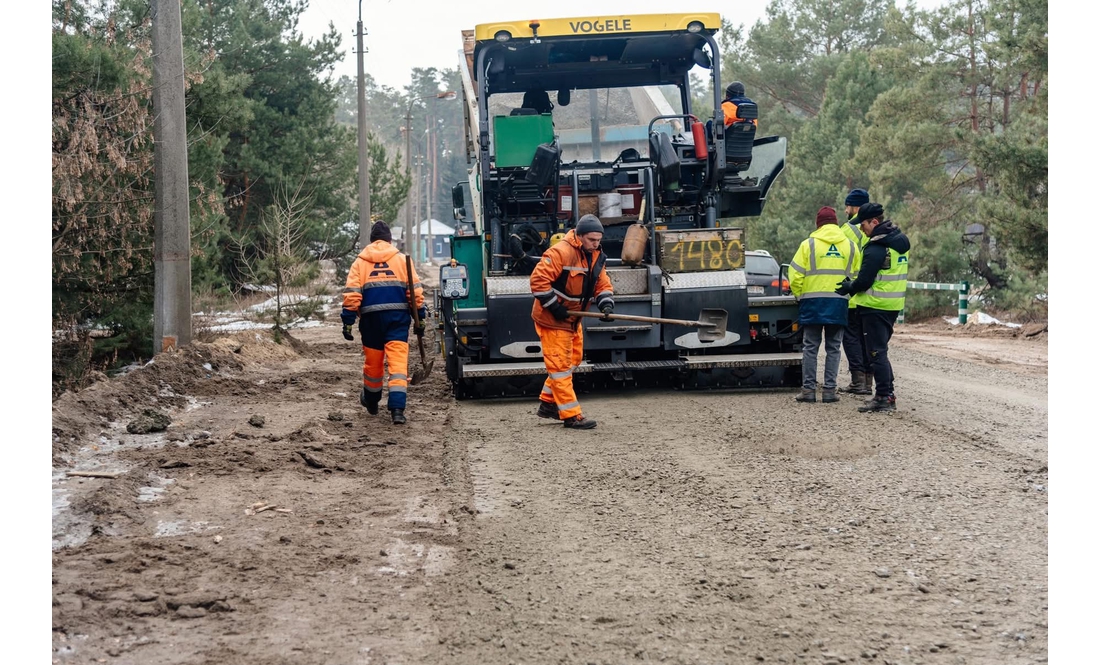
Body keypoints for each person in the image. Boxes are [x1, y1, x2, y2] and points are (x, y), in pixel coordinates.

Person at [529, 214, 614, 430]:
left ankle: (548, 404)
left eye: (598, 240)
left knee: (572, 362)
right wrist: (555, 308)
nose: (596, 244)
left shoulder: (596, 255)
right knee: (560, 368)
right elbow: (538, 282)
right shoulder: (560, 252)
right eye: (592, 240)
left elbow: (602, 284)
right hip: (553, 320)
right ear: (579, 236)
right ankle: (571, 415)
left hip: (573, 320)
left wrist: (606, 303)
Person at [341, 221, 426, 425]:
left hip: (370, 322)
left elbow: (352, 295)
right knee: (398, 365)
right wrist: (420, 318)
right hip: (397, 320)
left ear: (372, 240)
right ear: (389, 239)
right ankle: (397, 410)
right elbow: (414, 294)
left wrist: (348, 321)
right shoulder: (402, 260)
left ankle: (371, 401)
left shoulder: (360, 263)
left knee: (373, 364)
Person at [835, 203, 911, 413]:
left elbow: (864, 281)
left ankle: (884, 397)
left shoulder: (876, 248)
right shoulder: (899, 242)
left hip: (874, 306)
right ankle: (887, 393)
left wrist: (848, 287)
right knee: (880, 352)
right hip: (892, 305)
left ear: (874, 222)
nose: (861, 229)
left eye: (864, 225)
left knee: (876, 354)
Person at [788, 206, 860, 404]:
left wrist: (799, 295)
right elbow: (857, 277)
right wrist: (849, 299)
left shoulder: (808, 245)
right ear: (836, 223)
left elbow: (795, 274)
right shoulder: (851, 246)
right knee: (834, 347)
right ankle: (829, 391)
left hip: (812, 302)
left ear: (818, 224)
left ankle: (808, 390)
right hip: (839, 303)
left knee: (810, 347)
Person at [838, 188, 872, 395]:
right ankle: (868, 382)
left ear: (856, 207)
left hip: (851, 294)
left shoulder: (847, 230)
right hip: (871, 294)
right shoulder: (875, 226)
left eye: (848, 206)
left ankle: (858, 381)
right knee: (867, 338)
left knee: (851, 337)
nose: (845, 210)